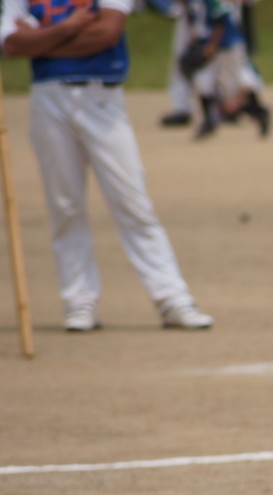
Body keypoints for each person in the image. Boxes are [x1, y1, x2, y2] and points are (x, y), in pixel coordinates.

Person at [0, 0, 214, 332]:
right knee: (65, 205)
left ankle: (172, 297)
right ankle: (79, 299)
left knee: (132, 201)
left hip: (101, 95)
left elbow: (107, 32)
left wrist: (41, 42)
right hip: (48, 98)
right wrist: (68, 28)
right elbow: (11, 44)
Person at [181, 0, 271, 139]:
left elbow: (221, 20)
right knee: (203, 84)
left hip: (227, 45)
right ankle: (209, 122)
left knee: (229, 100)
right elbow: (193, 18)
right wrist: (194, 39)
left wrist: (212, 46)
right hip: (207, 44)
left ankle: (259, 111)